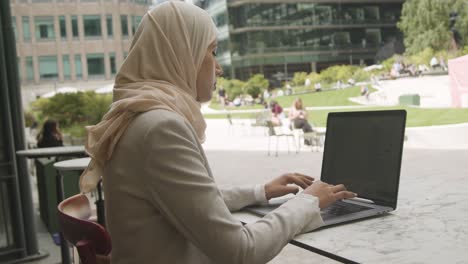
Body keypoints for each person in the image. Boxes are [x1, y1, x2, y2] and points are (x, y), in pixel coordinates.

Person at [79, 2, 356, 263]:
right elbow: (240, 251)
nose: (219, 67)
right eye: (211, 52)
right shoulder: (160, 128)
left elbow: (188, 202)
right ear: (181, 55)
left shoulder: (137, 116)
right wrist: (308, 202)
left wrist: (261, 191)